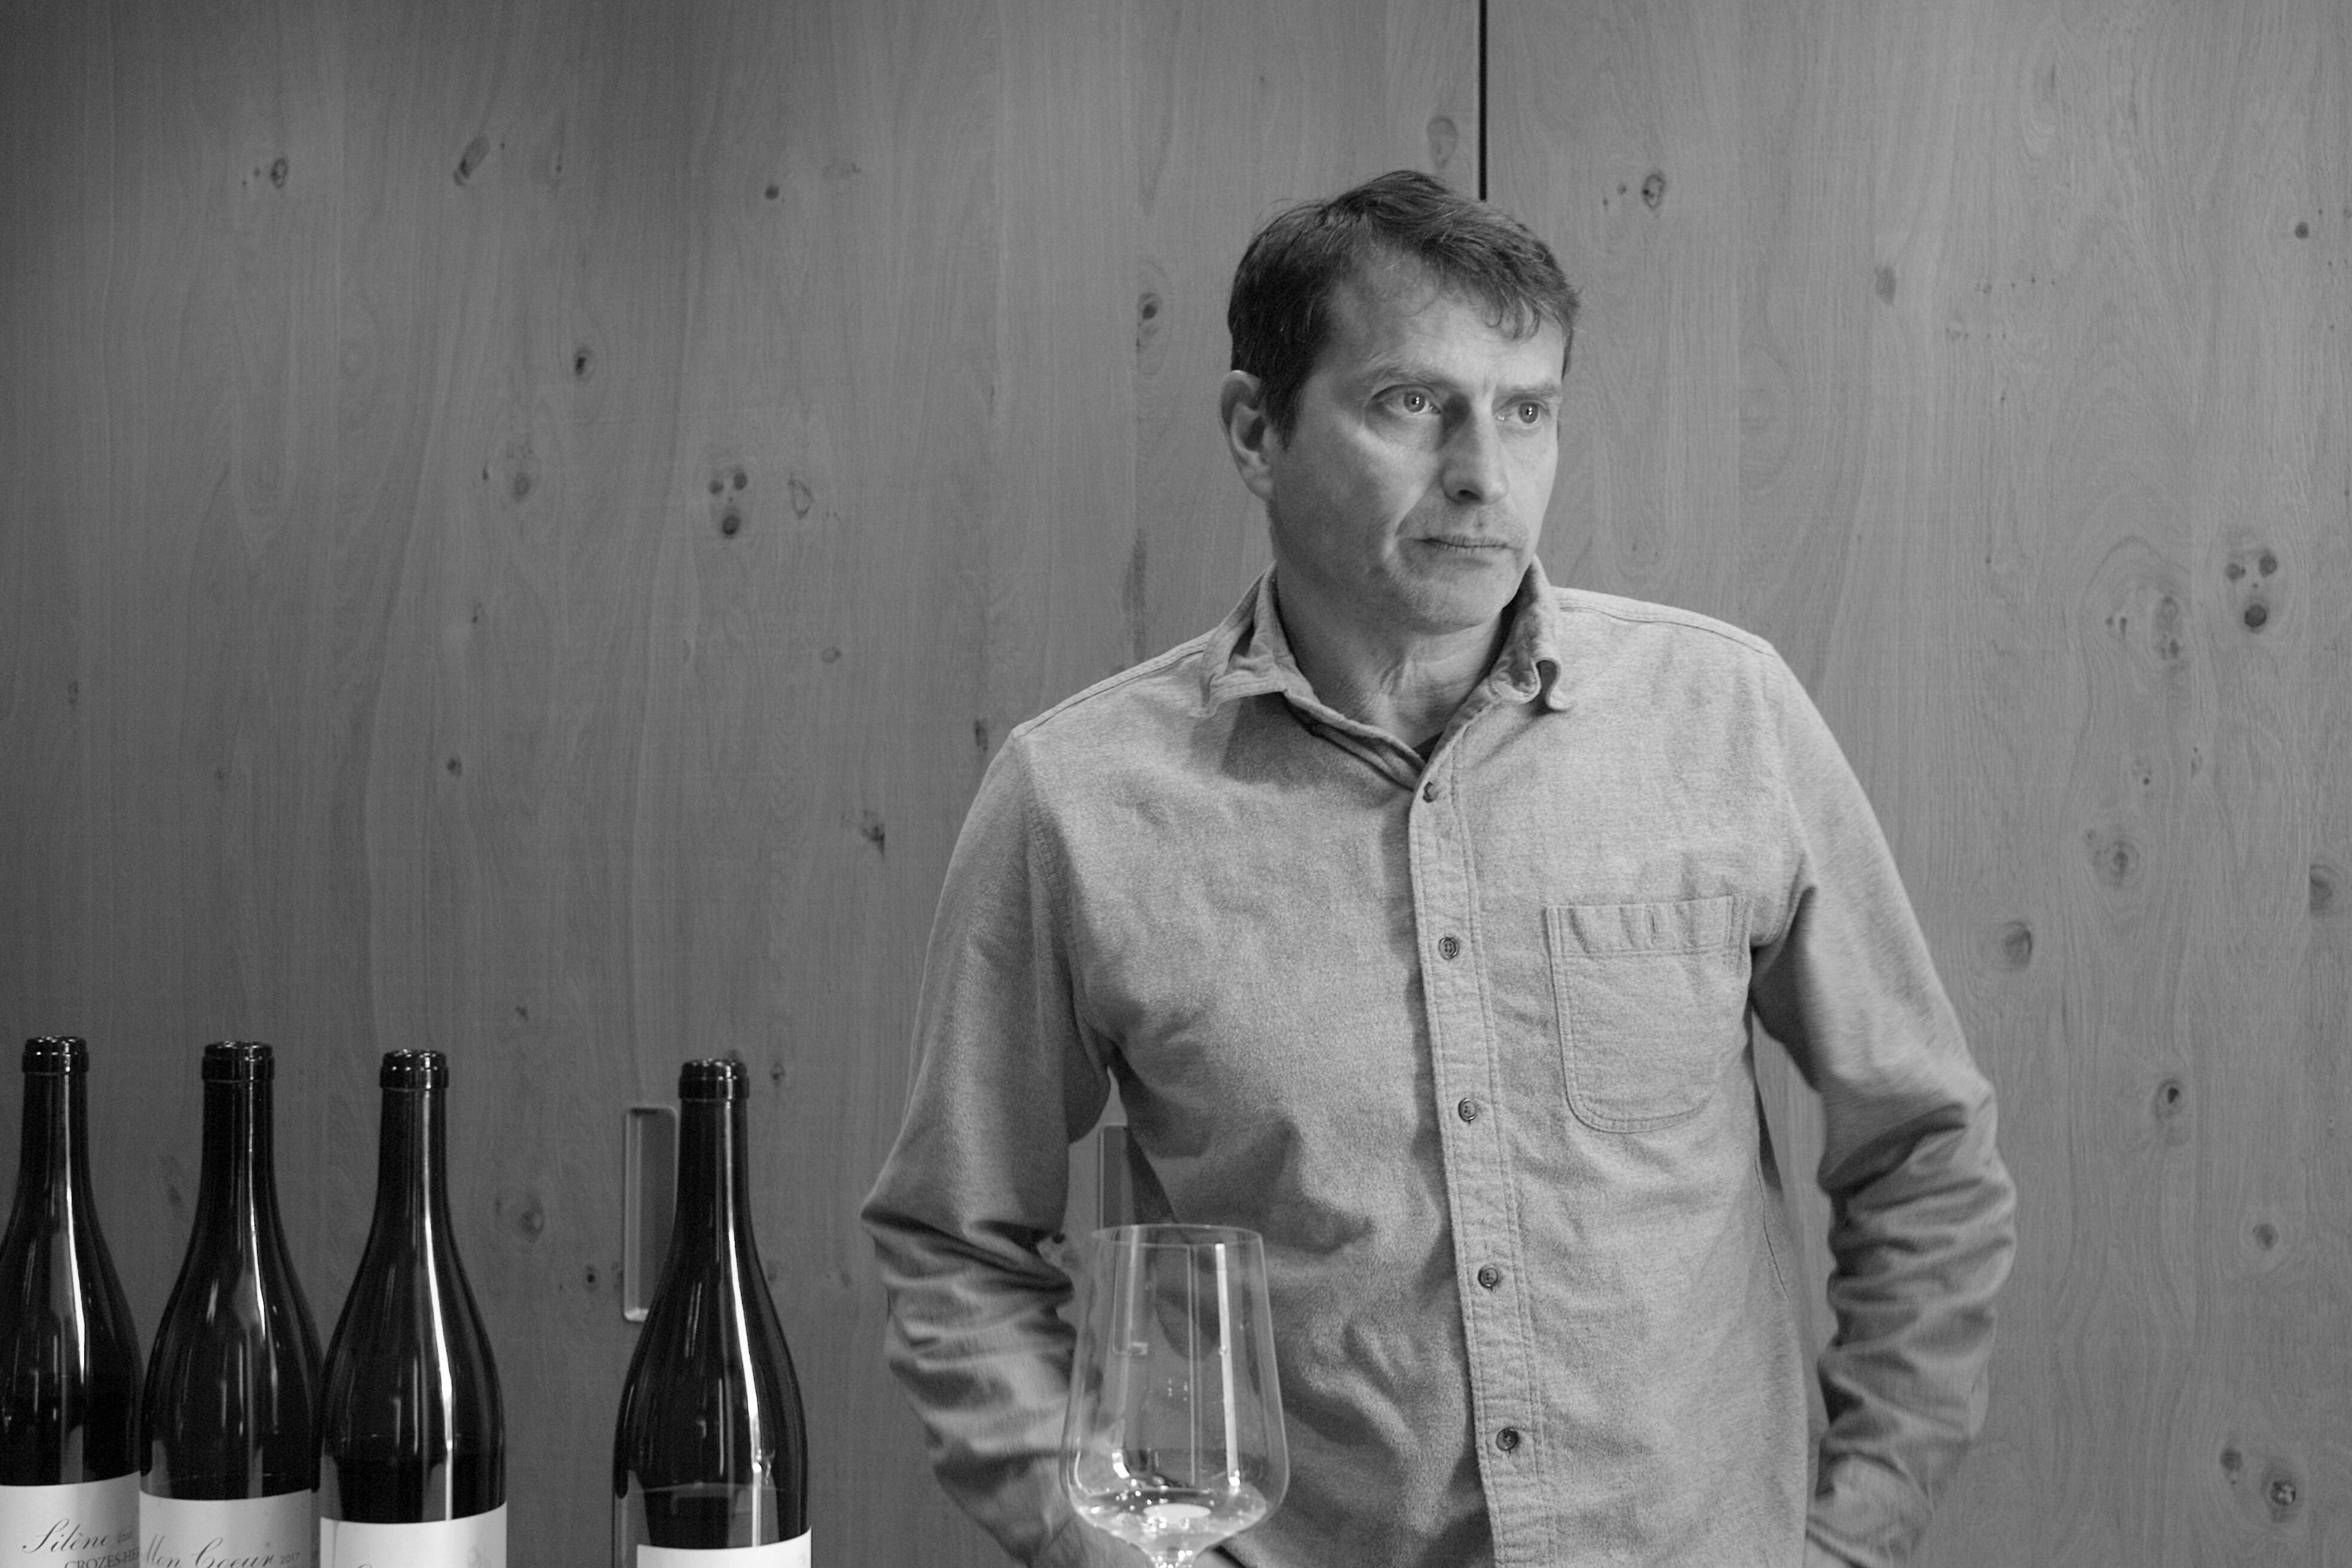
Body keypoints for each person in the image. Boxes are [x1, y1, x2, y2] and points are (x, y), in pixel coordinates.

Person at [862, 169, 2015, 1568]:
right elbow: (957, 1249)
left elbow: (1926, 1149)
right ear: (1256, 430)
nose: (1484, 472)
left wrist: (1853, 1534)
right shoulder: (1078, 800)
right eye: (1413, 402)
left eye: (1528, 409)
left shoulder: (1728, 719)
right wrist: (1110, 1552)